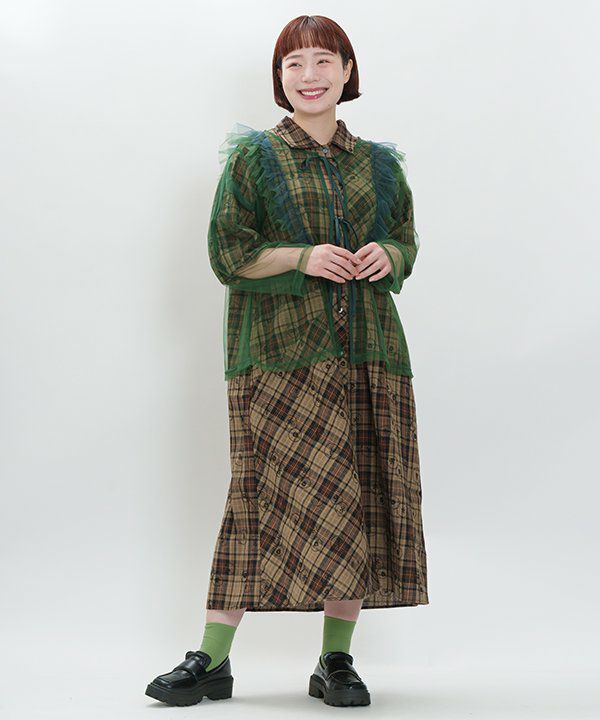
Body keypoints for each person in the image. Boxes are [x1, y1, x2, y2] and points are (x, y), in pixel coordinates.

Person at [145, 14, 428, 709]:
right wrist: (304, 257)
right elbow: (228, 254)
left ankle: (336, 660)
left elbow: (406, 238)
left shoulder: (379, 164)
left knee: (358, 498)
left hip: (369, 353)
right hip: (277, 358)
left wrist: (388, 254)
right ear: (279, 78)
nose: (309, 75)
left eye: (324, 60)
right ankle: (211, 658)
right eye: (293, 63)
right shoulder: (255, 159)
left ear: (347, 72)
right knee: (255, 499)